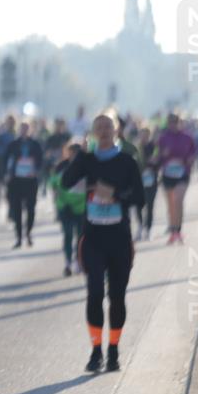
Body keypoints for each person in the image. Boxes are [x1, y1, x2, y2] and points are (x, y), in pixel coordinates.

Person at [60, 112, 143, 373]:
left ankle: (114, 350)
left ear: (117, 130)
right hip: (93, 238)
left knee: (116, 297)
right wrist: (82, 156)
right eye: (99, 127)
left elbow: (139, 197)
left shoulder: (127, 161)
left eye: (109, 126)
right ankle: (96, 351)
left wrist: (115, 195)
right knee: (94, 294)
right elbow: (66, 182)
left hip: (119, 238)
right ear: (93, 132)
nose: (104, 130)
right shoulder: (87, 160)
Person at [157, 112, 196, 244]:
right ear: (167, 124)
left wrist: (190, 159)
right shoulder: (163, 138)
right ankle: (173, 231)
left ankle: (178, 230)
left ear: (180, 123)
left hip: (182, 173)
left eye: (175, 122)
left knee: (178, 200)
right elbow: (158, 156)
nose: (173, 125)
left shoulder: (187, 137)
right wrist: (163, 155)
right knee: (171, 205)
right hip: (167, 174)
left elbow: (194, 151)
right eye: (170, 122)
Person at [5, 120, 44, 248]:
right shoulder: (13, 144)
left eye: (26, 128)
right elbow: (6, 160)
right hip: (16, 181)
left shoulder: (35, 144)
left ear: (30, 129)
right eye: (22, 128)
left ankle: (28, 233)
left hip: (30, 181)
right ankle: (18, 237)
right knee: (16, 209)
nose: (24, 130)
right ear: (19, 129)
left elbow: (41, 160)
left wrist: (36, 171)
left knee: (31, 208)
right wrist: (8, 174)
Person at [49, 142, 86, 276]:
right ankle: (67, 263)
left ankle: (78, 261)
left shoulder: (86, 166)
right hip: (64, 207)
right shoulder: (60, 167)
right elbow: (53, 183)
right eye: (70, 152)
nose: (73, 156)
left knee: (80, 236)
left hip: (81, 207)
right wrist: (56, 197)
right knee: (68, 234)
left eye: (76, 153)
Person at [136, 127, 159, 241]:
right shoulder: (136, 148)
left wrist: (155, 162)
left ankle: (149, 229)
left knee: (150, 205)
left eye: (146, 135)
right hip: (138, 181)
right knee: (138, 205)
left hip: (152, 179)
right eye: (142, 135)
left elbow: (158, 161)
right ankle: (140, 226)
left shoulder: (154, 147)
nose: (144, 137)